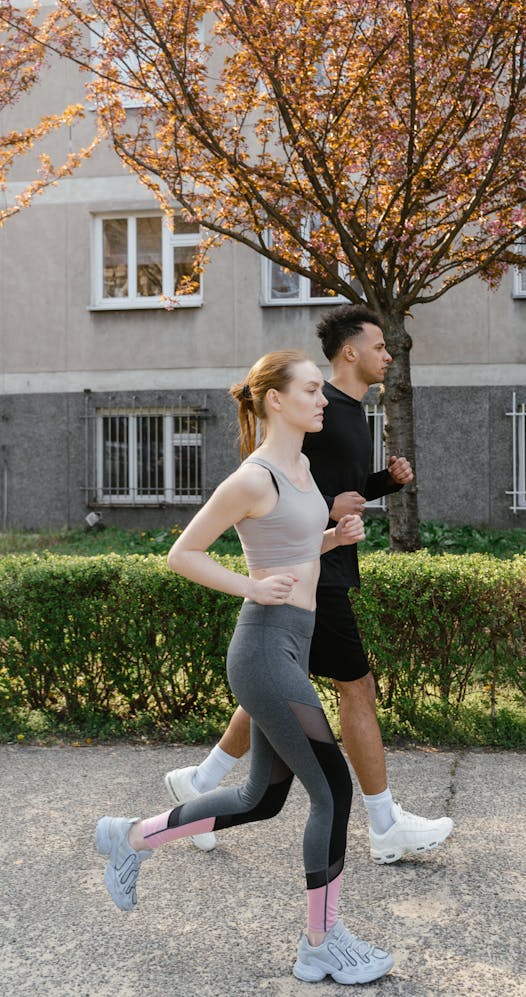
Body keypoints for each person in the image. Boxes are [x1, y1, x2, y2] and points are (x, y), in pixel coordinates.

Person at [94, 350, 394, 986]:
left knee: (260, 798)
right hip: (263, 651)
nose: (323, 400)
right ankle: (322, 941)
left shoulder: (303, 467)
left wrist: (332, 540)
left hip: (291, 643)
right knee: (333, 791)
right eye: (313, 390)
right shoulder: (253, 478)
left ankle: (130, 836)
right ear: (275, 401)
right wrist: (250, 588)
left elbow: (288, 543)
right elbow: (184, 554)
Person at [164, 306, 454, 863]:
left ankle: (199, 783)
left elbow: (321, 493)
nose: (389, 355)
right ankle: (383, 823)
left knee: (272, 735)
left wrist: (376, 489)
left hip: (317, 574)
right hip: (296, 588)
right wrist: (262, 578)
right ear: (350, 351)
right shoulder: (307, 428)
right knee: (351, 692)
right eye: (379, 345)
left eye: (319, 393)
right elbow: (280, 496)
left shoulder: (338, 416)